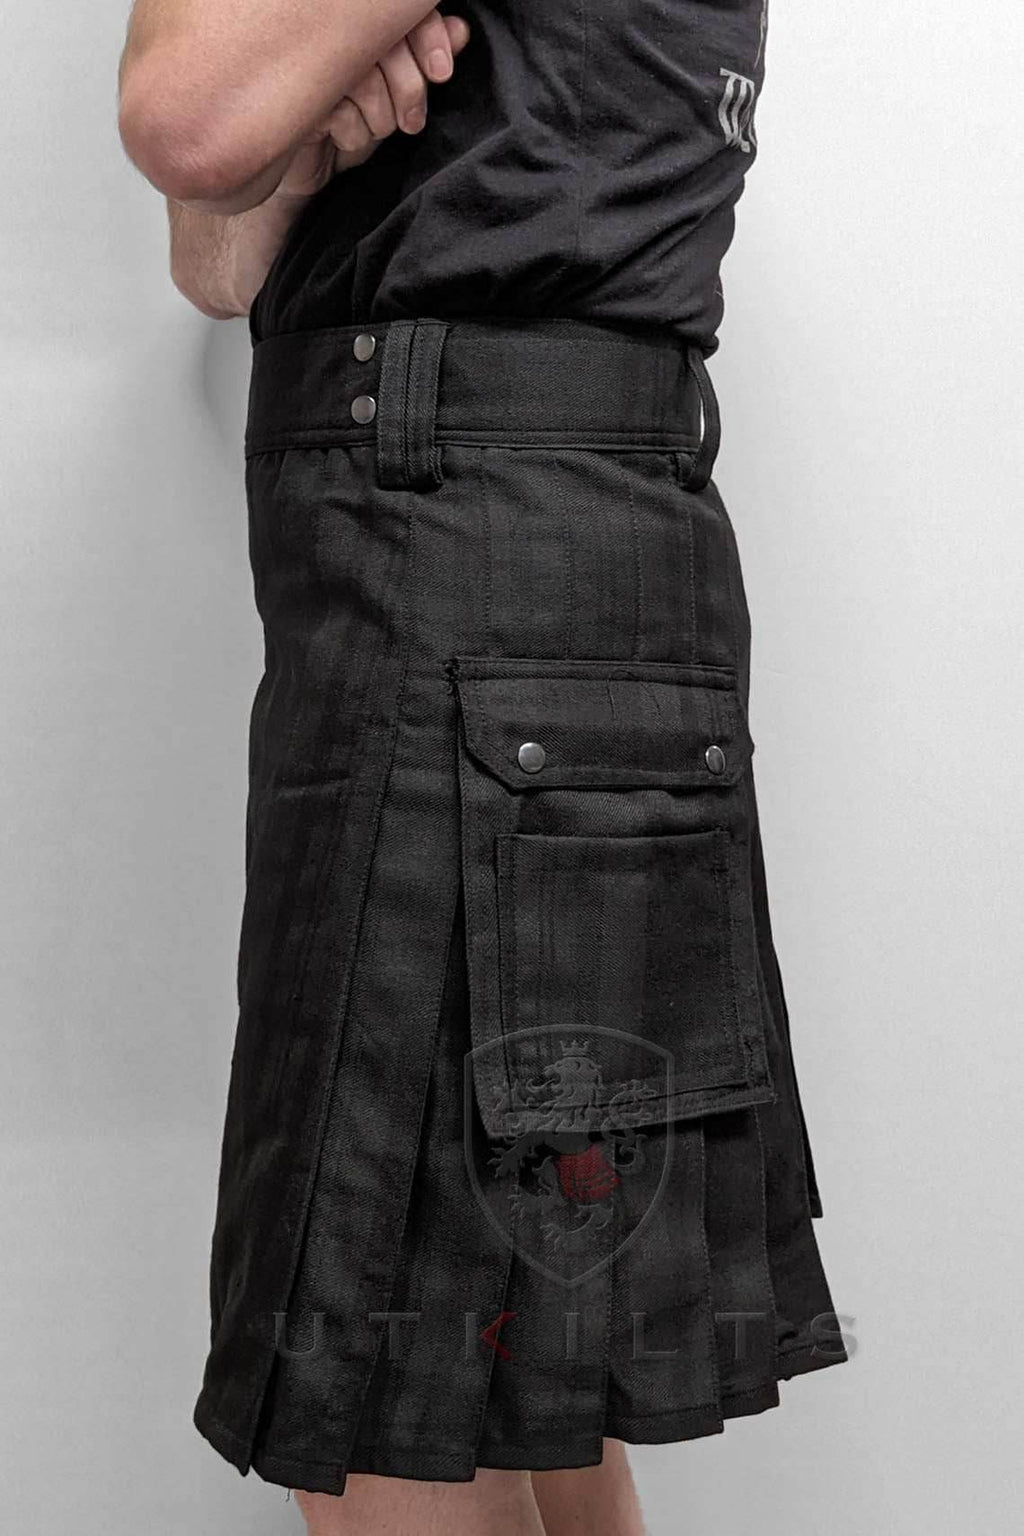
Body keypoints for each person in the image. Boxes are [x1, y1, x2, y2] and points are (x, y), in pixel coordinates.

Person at [117, 2, 848, 1532]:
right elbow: (218, 251)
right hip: (565, 565)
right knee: (525, 1365)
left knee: (380, 1382)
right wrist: (301, 116)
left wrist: (262, 104)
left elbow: (183, 115)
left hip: (460, 568)